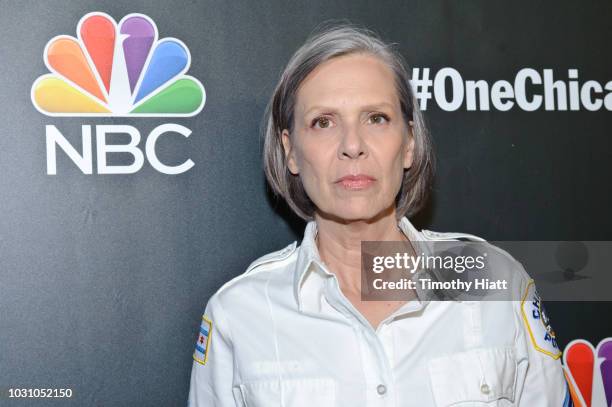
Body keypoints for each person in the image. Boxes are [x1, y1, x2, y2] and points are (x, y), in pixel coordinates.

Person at [188, 23, 572, 406]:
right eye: (323, 122)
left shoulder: (493, 282)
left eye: (376, 118)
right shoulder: (238, 314)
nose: (352, 145)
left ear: (408, 143)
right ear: (290, 151)